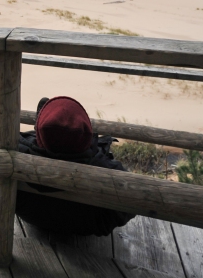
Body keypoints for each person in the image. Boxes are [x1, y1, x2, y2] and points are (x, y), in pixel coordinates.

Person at [15, 96, 135, 236]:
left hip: (34, 218)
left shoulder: (16, 158)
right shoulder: (105, 172)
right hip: (84, 228)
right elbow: (130, 207)